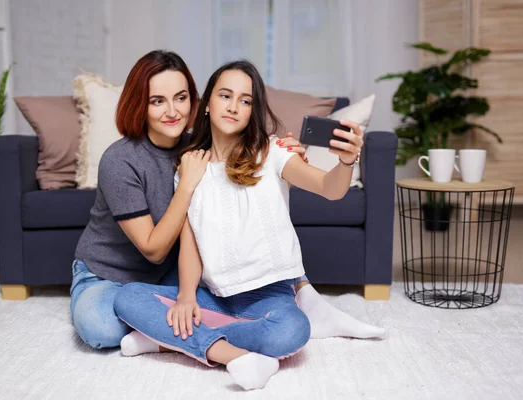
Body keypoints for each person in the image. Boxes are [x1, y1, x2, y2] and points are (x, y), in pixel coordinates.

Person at [114, 60, 380, 391]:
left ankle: (168, 340)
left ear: (253, 111)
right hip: (215, 295)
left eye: (245, 100)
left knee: (292, 332)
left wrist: (346, 160)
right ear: (207, 103)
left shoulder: (272, 153)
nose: (234, 107)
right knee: (127, 298)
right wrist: (185, 297)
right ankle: (233, 354)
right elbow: (191, 243)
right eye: (225, 96)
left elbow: (330, 188)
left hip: (270, 294)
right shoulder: (190, 167)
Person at [70, 50, 308, 350]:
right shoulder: (120, 160)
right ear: (140, 105)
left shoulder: (200, 145)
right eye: (158, 101)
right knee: (104, 329)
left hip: (170, 274)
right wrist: (186, 185)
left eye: (180, 98)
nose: (172, 111)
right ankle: (200, 344)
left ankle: (158, 335)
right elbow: (154, 250)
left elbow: (255, 198)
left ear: (195, 101)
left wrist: (289, 154)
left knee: (209, 301)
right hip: (108, 275)